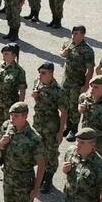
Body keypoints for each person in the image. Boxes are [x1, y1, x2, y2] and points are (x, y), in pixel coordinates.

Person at [31, 61, 68, 193]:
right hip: (38, 123)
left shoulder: (58, 91)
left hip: (51, 127)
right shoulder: (37, 82)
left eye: (43, 73)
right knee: (39, 151)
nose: (40, 75)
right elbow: (38, 102)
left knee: (51, 154)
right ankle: (40, 177)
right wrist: (35, 97)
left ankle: (48, 179)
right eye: (39, 72)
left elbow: (64, 112)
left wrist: (60, 132)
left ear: (51, 74)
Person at [0, 102, 46, 202]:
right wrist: (2, 143)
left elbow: (41, 165)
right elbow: (2, 147)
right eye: (11, 115)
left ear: (25, 116)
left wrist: (36, 188)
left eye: (16, 116)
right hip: (8, 178)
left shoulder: (34, 138)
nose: (12, 118)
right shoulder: (7, 126)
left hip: (23, 183)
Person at [0, 43, 26, 166]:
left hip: (10, 105)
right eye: (3, 54)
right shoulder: (0, 65)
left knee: (9, 131)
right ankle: (2, 154)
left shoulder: (19, 71)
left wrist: (20, 107)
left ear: (14, 56)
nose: (4, 56)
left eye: (7, 54)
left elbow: (22, 89)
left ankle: (9, 159)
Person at [60, 25, 95, 142]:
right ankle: (67, 126)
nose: (73, 36)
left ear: (83, 35)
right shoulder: (68, 43)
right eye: (73, 33)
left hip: (77, 83)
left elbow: (90, 69)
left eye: (76, 34)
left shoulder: (87, 50)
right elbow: (62, 54)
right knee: (65, 104)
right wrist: (64, 52)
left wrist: (86, 85)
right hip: (66, 81)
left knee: (74, 106)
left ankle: (74, 130)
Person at [62, 127, 102, 202]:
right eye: (77, 141)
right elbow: (69, 174)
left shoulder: (100, 166)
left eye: (82, 142)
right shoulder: (70, 152)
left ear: (92, 145)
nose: (77, 145)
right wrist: (64, 170)